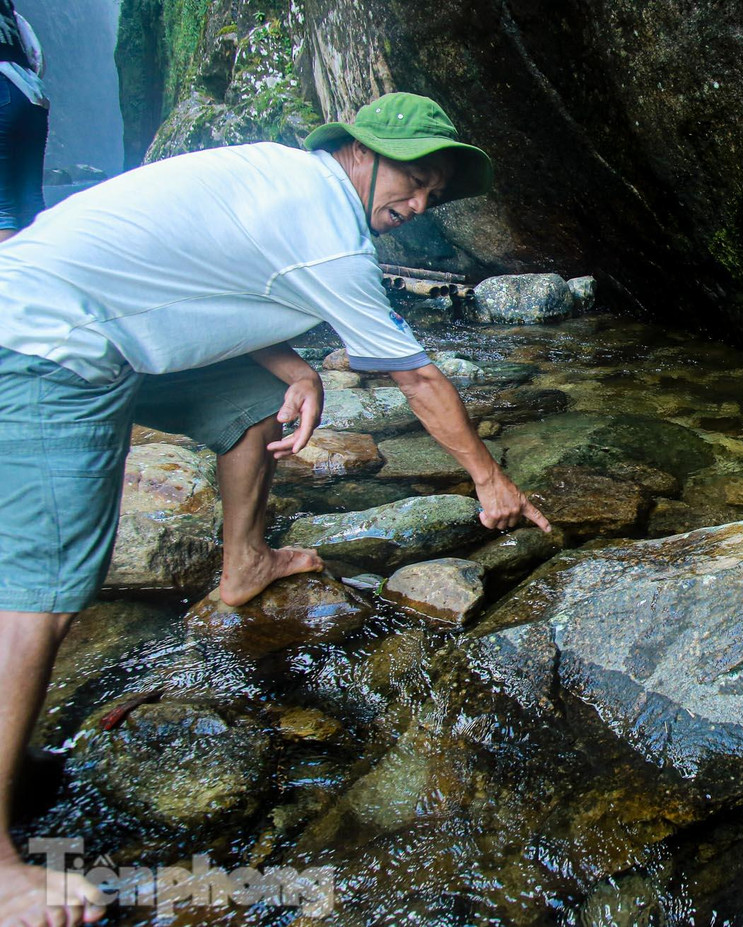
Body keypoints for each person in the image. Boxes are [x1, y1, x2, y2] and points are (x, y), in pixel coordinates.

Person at [0, 91, 550, 924]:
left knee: (253, 400)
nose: (418, 203)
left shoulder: (288, 183)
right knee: (43, 589)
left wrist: (294, 367)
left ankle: (243, 563)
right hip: (50, 338)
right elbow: (414, 374)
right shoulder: (330, 225)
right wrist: (488, 478)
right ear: (359, 151)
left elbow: (203, 272)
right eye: (412, 178)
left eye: (433, 194)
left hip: (99, 315)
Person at [0, 0, 46, 243]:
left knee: (1, 208)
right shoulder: (8, 9)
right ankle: (43, 274)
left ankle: (7, 280)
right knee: (31, 202)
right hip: (31, 96)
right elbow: (38, 59)